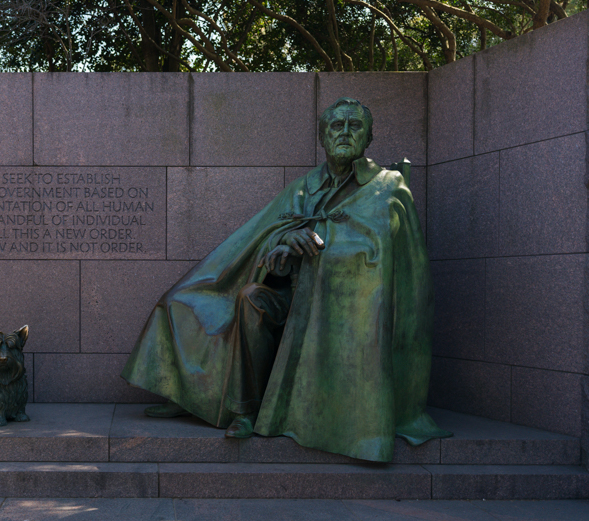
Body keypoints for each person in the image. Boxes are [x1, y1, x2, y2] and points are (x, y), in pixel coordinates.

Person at [121, 97, 450, 462]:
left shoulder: (388, 187)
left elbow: (384, 256)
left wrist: (321, 242)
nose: (343, 132)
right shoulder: (303, 187)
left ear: (369, 137)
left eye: (353, 125)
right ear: (322, 137)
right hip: (290, 297)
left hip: (342, 309)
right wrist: (282, 243)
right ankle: (227, 404)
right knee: (221, 298)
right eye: (335, 126)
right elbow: (263, 237)